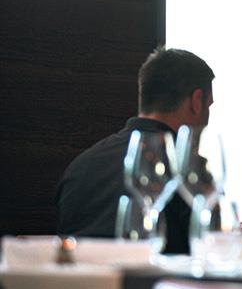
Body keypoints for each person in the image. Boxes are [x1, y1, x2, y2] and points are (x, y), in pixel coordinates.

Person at [55, 47, 215, 254]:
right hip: (153, 275)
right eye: (208, 106)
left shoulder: (80, 166)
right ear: (196, 101)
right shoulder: (189, 173)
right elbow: (211, 250)